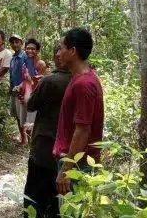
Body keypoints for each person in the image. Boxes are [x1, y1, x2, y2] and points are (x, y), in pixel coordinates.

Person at [53, 27, 104, 196]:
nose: (58, 53)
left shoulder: (84, 84)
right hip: (75, 162)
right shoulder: (80, 78)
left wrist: (66, 170)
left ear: (73, 51)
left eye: (61, 48)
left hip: (77, 166)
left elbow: (83, 129)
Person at [22, 44, 71, 217]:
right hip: (70, 152)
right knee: (60, 200)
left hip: (44, 147)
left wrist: (29, 83)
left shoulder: (50, 81)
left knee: (35, 198)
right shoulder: (84, 80)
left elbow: (31, 105)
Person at [22, 38, 48, 127]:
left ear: (37, 51)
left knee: (32, 122)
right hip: (25, 95)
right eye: (28, 48)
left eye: (33, 49)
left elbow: (39, 83)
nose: (30, 50)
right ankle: (26, 139)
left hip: (35, 96)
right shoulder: (24, 63)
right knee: (24, 121)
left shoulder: (41, 64)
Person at [9, 34, 29, 144]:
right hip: (14, 91)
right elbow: (12, 74)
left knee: (26, 115)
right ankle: (23, 138)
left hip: (24, 91)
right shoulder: (12, 58)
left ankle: (29, 140)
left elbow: (29, 74)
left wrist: (22, 86)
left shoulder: (25, 57)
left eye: (17, 42)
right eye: (12, 42)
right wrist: (11, 88)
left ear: (21, 43)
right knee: (18, 115)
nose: (14, 44)